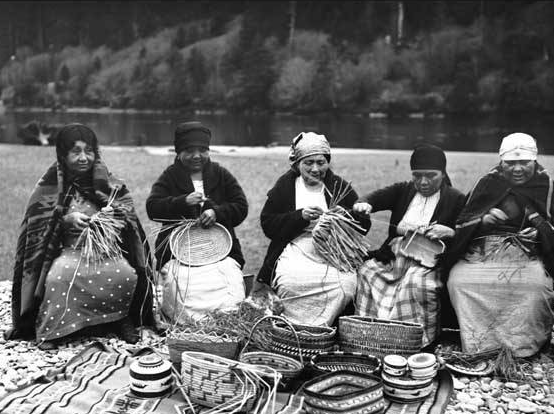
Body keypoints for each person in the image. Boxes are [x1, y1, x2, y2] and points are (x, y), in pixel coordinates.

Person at [6, 123, 155, 349]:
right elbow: (39, 226)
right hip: (70, 253)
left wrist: (111, 215)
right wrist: (66, 220)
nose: (84, 158)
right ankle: (52, 329)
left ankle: (119, 319)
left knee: (127, 274)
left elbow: (127, 215)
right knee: (59, 278)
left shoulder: (107, 181)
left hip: (106, 252)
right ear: (63, 155)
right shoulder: (50, 186)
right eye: (76, 152)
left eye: (89, 151)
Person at [443, 132, 554, 358]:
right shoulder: (488, 183)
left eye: (524, 162)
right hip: (483, 252)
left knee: (534, 287)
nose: (517, 169)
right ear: (501, 161)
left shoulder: (546, 188)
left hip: (529, 255)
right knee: (459, 281)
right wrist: (483, 221)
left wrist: (539, 230)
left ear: (534, 161)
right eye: (510, 163)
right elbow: (462, 223)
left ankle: (522, 346)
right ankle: (479, 343)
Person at [352, 144, 467, 347]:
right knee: (367, 271)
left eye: (431, 175)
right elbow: (372, 198)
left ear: (442, 173)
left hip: (428, 262)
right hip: (394, 256)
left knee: (414, 284)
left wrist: (449, 232)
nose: (423, 182)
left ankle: (416, 340)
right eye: (417, 175)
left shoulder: (455, 198)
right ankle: (370, 332)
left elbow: (467, 231)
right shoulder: (403, 190)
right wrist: (365, 204)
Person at [255, 131, 370, 326]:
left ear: (328, 162)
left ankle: (324, 327)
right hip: (296, 247)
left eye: (321, 162)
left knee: (345, 286)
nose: (315, 169)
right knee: (291, 283)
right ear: (298, 164)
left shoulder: (337, 186)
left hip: (333, 251)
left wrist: (355, 214)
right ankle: (293, 327)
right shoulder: (286, 186)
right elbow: (268, 224)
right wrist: (299, 217)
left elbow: (363, 228)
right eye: (308, 163)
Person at [146, 121, 248, 322]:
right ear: (178, 152)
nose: (196, 156)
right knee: (183, 286)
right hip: (179, 252)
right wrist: (182, 202)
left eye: (202, 150)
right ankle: (189, 323)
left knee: (229, 282)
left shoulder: (220, 174)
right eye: (189, 150)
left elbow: (241, 207)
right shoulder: (170, 176)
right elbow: (153, 208)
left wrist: (216, 212)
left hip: (220, 250)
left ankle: (225, 319)